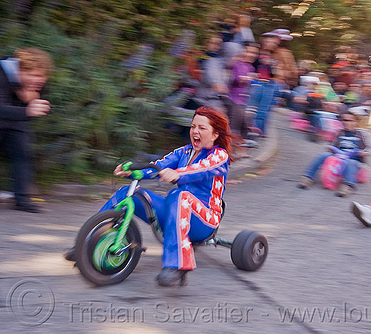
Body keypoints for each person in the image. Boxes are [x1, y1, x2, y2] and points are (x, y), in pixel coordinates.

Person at [65, 107, 232, 287]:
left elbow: (202, 169)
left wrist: (178, 174)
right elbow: (157, 166)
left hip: (204, 220)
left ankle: (176, 266)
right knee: (129, 194)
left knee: (179, 194)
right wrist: (132, 172)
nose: (195, 131)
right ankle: (88, 242)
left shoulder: (219, 155)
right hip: (178, 211)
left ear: (215, 135)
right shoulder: (184, 152)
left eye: (202, 128)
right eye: (193, 127)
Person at [0, 47, 53, 213]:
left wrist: (32, 101)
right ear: (20, 70)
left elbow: (42, 105)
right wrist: (26, 109)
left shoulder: (37, 82)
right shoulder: (2, 73)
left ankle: (22, 200)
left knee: (23, 153)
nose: (40, 80)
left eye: (43, 75)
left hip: (14, 123)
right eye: (35, 75)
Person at [298, 111, 371, 197]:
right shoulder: (340, 133)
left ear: (356, 122)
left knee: (350, 162)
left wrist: (363, 153)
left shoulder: (362, 134)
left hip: (355, 160)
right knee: (322, 155)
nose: (346, 123)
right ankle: (308, 178)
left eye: (350, 120)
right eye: (344, 120)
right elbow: (332, 145)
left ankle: (348, 186)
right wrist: (330, 148)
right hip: (340, 156)